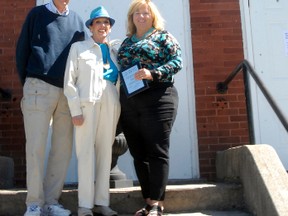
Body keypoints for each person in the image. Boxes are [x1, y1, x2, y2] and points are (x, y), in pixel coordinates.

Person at [15, 0, 85, 215]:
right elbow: (22, 50)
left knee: (62, 149)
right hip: (38, 87)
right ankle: (34, 203)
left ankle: (52, 202)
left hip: (66, 92)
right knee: (35, 147)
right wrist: (29, 82)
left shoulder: (77, 21)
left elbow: (81, 59)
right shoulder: (37, 14)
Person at [117, 0, 183, 215]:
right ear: (131, 17)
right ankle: (147, 202)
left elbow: (177, 61)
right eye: (137, 13)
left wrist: (153, 73)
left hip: (159, 97)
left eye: (146, 13)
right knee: (138, 153)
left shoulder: (163, 36)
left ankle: (157, 204)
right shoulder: (126, 42)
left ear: (152, 16)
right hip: (131, 101)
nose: (141, 16)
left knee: (156, 151)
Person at [63, 6, 120, 216]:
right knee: (85, 153)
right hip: (87, 105)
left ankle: (102, 202)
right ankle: (85, 205)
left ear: (110, 28)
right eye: (98, 22)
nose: (103, 26)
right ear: (90, 27)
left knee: (106, 152)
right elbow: (69, 81)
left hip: (111, 102)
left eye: (106, 22)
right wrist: (75, 110)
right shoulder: (79, 48)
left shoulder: (115, 50)